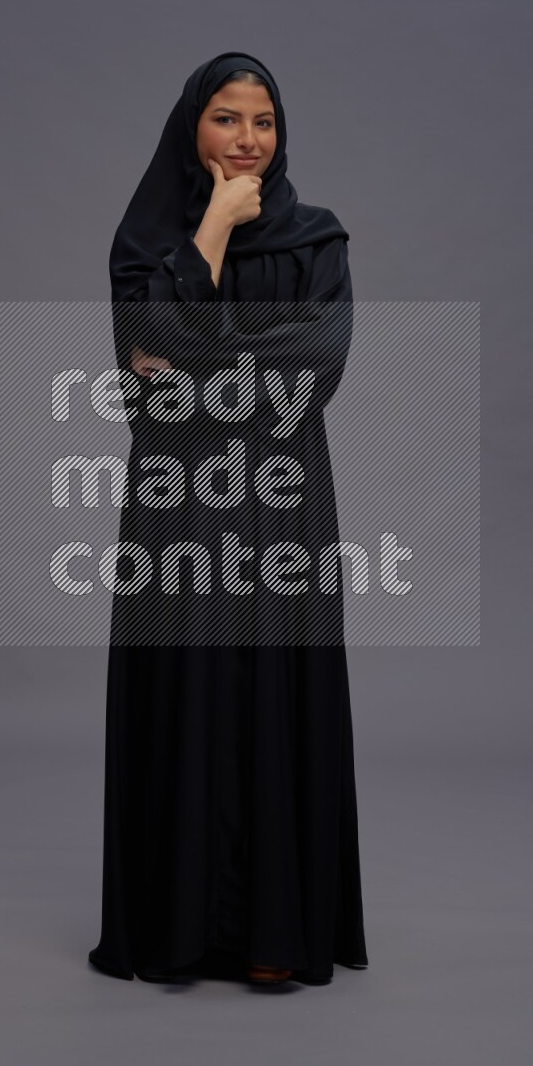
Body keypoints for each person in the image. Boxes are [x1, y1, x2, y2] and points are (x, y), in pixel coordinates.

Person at [88, 51, 369, 987]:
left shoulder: (318, 241)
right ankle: (181, 926)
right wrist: (208, 231)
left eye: (263, 122)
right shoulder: (146, 243)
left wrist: (192, 366)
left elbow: (310, 373)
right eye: (225, 119)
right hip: (179, 507)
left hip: (285, 504)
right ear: (189, 129)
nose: (247, 141)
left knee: (276, 691)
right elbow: (145, 362)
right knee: (189, 687)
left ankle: (272, 935)